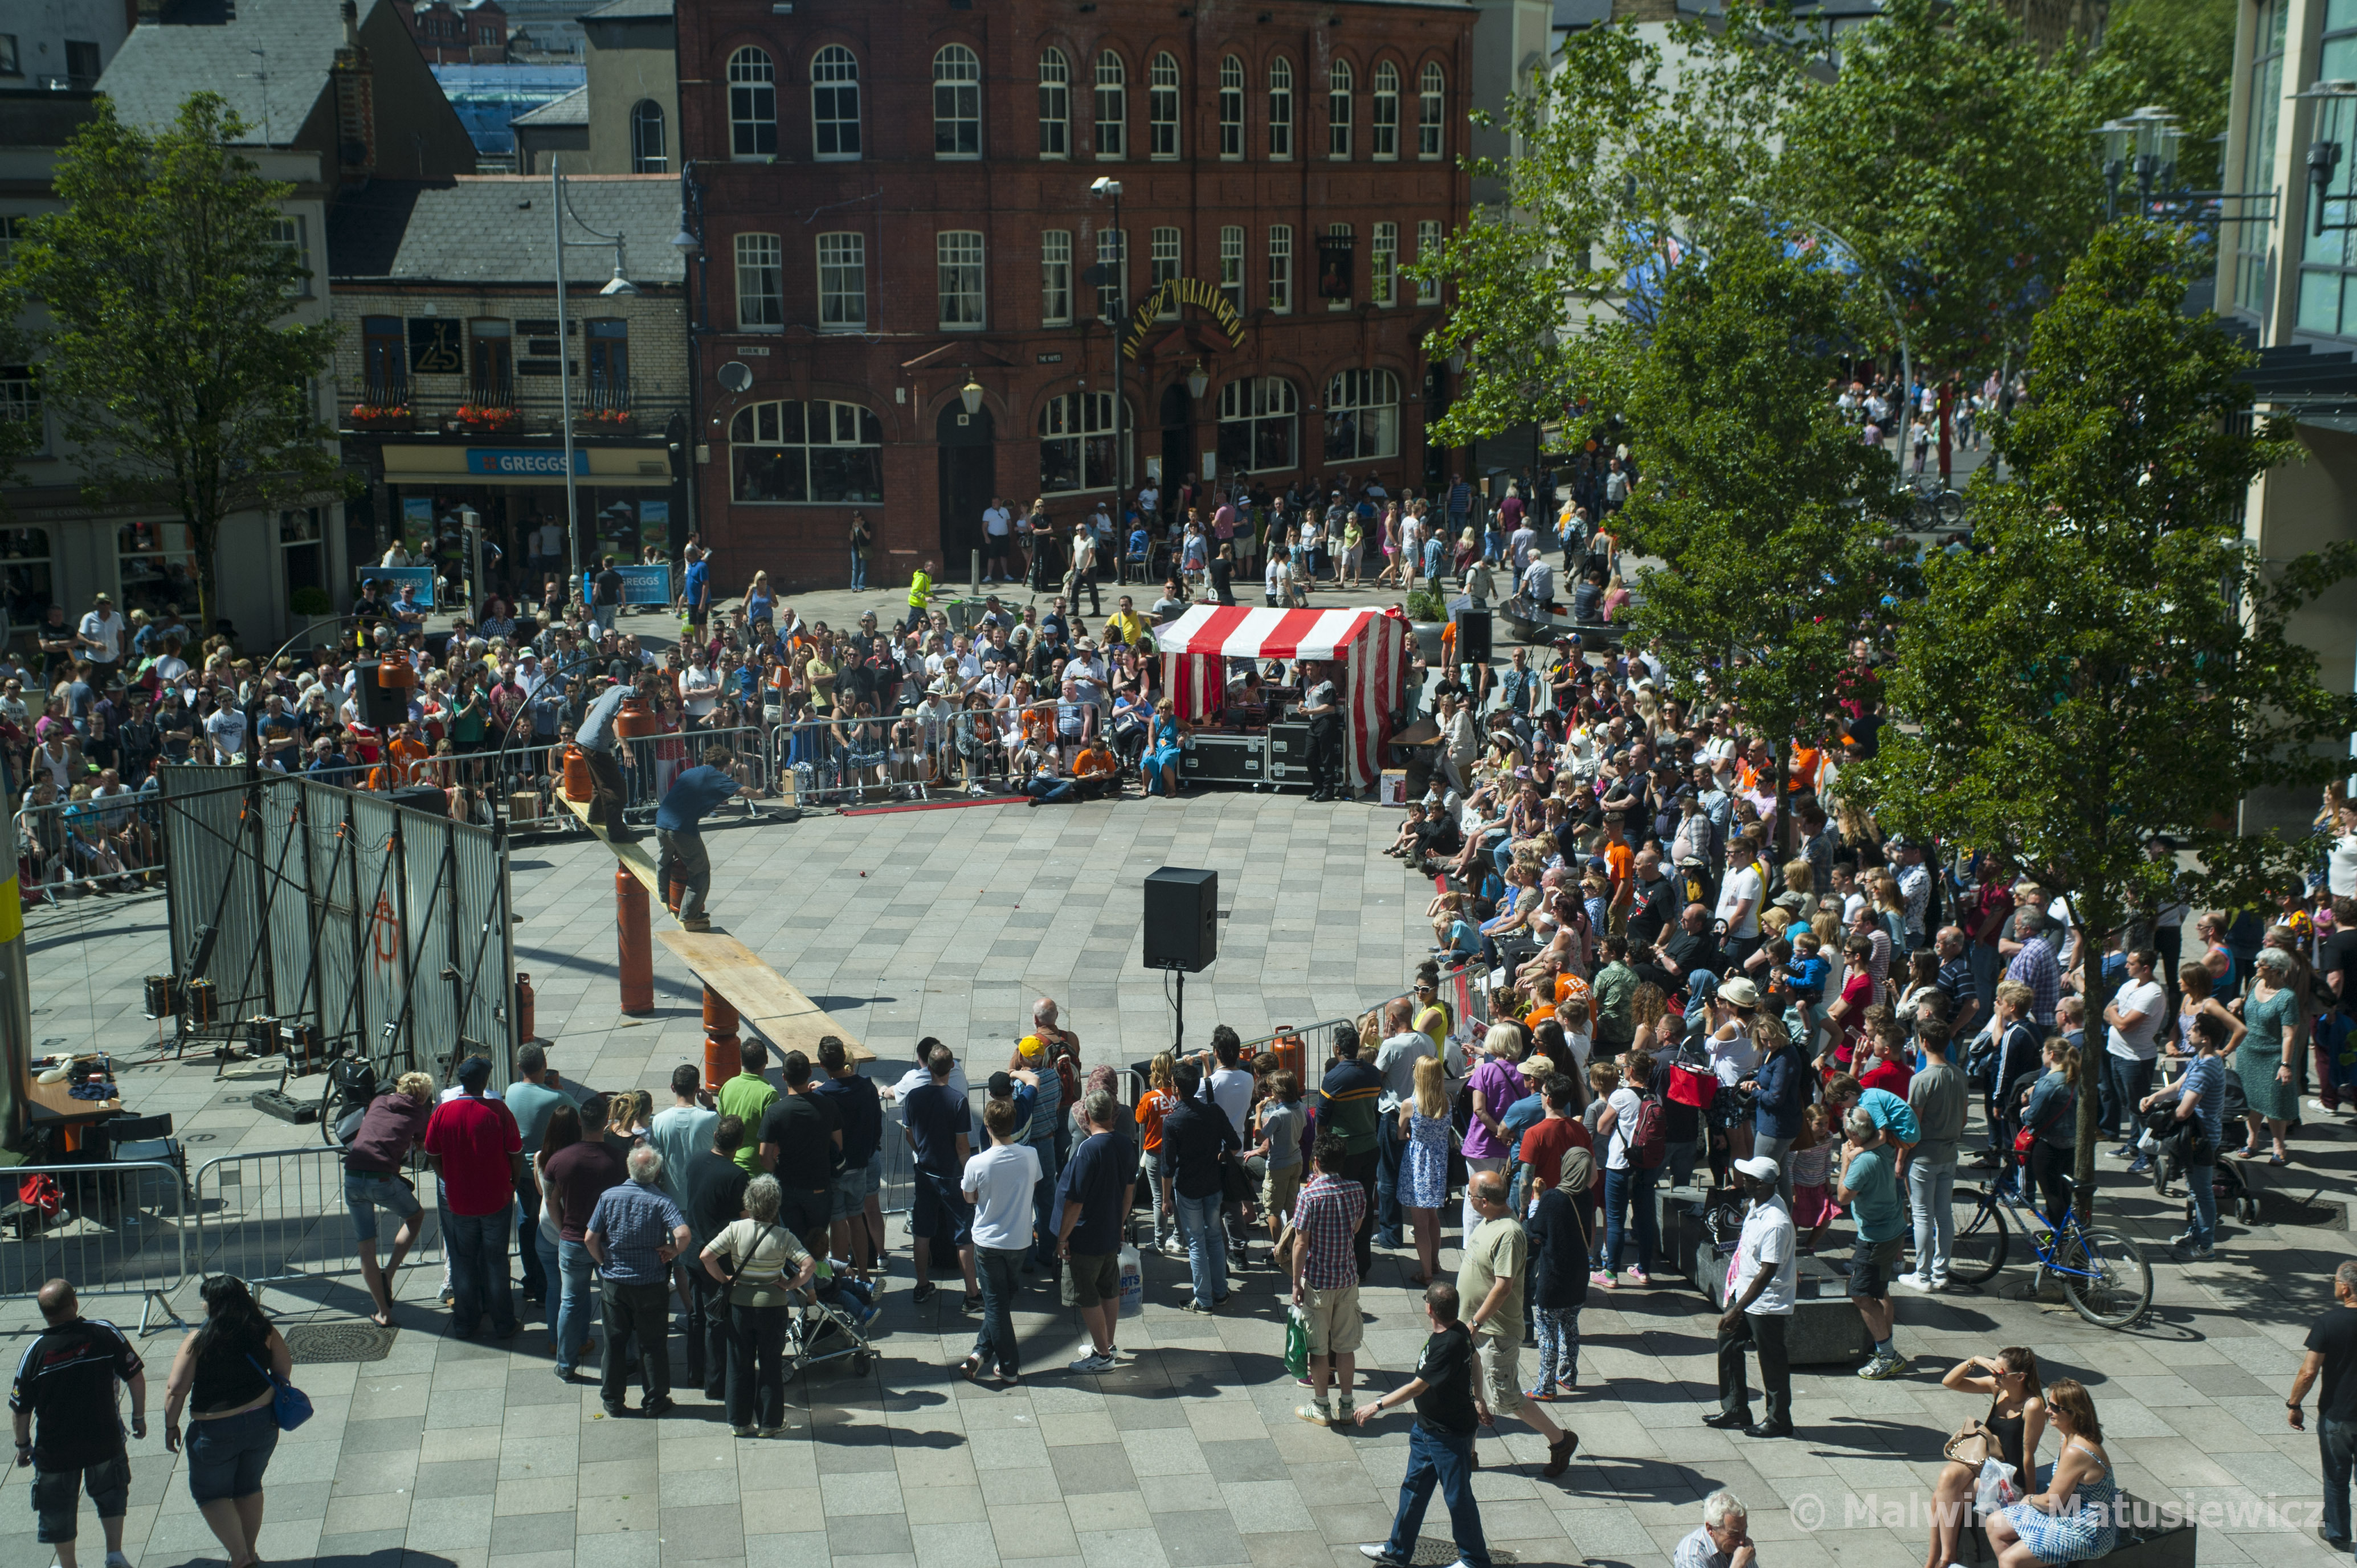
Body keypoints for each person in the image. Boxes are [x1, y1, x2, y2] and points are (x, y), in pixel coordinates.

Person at [1354, 1282, 1492, 1568]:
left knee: (1458, 1498)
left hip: (1449, 1436)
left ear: (1429, 1308)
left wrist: (1376, 1405)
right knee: (1413, 1490)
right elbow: (1476, 1362)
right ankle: (1397, 1550)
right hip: (1427, 1430)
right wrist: (1478, 1398)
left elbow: (1417, 1387)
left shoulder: (1449, 1344)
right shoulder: (1461, 1333)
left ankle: (1475, 1560)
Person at [11, 1278, 146, 1568]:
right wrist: (138, 1417)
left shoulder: (35, 1352)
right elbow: (135, 1376)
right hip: (105, 1439)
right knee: (112, 1495)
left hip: (55, 1451)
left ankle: (68, 1564)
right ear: (75, 1303)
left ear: (44, 1313)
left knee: (58, 1509)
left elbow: (21, 1409)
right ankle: (115, 1555)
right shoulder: (104, 1333)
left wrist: (23, 1446)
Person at [161, 1276, 290, 1568]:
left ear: (214, 1304)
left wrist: (171, 1426)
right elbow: (284, 1368)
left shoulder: (199, 1340)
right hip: (262, 1422)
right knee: (249, 1487)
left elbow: (176, 1389)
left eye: (204, 1299)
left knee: (210, 1494)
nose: (202, 1304)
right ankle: (250, 1551)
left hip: (214, 1430)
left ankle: (240, 1558)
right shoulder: (264, 1330)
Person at [1459, 1170, 1579, 1475]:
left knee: (1507, 1397)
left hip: (1493, 1331)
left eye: (1470, 1195)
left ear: (1484, 1202)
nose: (1468, 1198)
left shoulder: (1509, 1234)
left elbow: (1504, 1286)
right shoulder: (1489, 1222)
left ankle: (1561, 1441)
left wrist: (1475, 1321)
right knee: (1467, 1391)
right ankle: (1467, 1455)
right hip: (1472, 1328)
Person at [700, 1173, 815, 1439]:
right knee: (770, 1364)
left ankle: (740, 1423)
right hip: (773, 1308)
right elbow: (808, 1265)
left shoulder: (735, 1229)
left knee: (739, 1363)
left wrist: (726, 1279)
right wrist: (790, 1284)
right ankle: (770, 1423)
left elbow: (706, 1256)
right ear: (776, 1205)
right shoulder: (784, 1237)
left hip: (739, 1306)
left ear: (748, 1203)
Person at [585, 1145, 692, 1419]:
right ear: (657, 1172)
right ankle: (655, 1401)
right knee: (653, 1344)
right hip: (651, 1283)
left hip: (615, 1283)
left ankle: (612, 1400)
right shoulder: (662, 1201)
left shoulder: (609, 1197)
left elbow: (590, 1238)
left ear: (629, 1168)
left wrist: (602, 1262)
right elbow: (683, 1233)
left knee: (615, 1343)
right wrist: (674, 1251)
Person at [422, 1055, 525, 1341]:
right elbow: (515, 1153)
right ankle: (503, 1322)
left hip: (459, 1204)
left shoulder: (442, 1113)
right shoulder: (499, 1111)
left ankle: (465, 1324)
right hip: (496, 1201)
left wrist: (448, 1179)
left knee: (463, 1262)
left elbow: (432, 1154)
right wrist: (513, 1182)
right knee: (496, 1261)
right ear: (486, 1081)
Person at [1926, 1349, 2046, 1568]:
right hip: (1984, 1463)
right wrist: (1974, 1360)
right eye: (1993, 1369)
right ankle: (1945, 1557)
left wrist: (2029, 1498)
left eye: (2000, 1372)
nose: (1994, 1376)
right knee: (1947, 1476)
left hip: (2008, 1474)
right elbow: (1949, 1382)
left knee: (1940, 1499)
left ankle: (1940, 1559)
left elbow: (2028, 1455)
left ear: (2020, 1377)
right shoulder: (1999, 1389)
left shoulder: (2033, 1405)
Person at [1707, 1155, 1796, 1438]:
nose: (1742, 1181)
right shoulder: (1758, 1204)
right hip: (1745, 1294)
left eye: (1747, 1179)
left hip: (1765, 1302)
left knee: (1771, 1360)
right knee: (1728, 1343)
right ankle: (1736, 1407)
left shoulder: (1776, 1223)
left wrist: (1736, 1309)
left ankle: (1779, 1419)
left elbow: (1767, 1272)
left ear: (1761, 1184)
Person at [1984, 1378, 2117, 1566]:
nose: (2047, 1411)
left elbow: (2051, 1502)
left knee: (2009, 1559)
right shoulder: (2068, 1435)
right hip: (2067, 1513)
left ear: (2073, 1413)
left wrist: (2028, 1499)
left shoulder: (2077, 1451)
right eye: (2049, 1404)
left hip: (2087, 1531)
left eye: (2054, 1407)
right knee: (1995, 1523)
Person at [341, 1070, 435, 1327]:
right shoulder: (419, 1113)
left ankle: (383, 1312)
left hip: (352, 1176)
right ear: (424, 1096)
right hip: (381, 1178)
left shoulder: (379, 1101)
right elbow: (421, 1142)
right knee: (415, 1217)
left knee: (366, 1249)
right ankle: (390, 1273)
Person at [544, 1094, 626, 1382]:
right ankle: (620, 1360)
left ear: (580, 1121)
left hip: (572, 1241)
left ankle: (566, 1365)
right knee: (613, 1303)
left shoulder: (559, 1160)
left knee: (570, 1302)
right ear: (606, 1123)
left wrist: (563, 1227)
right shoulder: (619, 1161)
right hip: (609, 1244)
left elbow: (551, 1200)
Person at [960, 1095, 1041, 1383]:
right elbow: (1032, 1184)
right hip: (1019, 1240)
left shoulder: (977, 1163)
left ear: (987, 1126)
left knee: (996, 1304)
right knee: (1001, 1300)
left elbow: (969, 1198)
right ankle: (980, 1352)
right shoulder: (1030, 1155)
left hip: (988, 1242)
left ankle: (1009, 1367)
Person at [1054, 1088, 1137, 1372]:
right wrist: (1119, 1224)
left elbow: (1075, 1201)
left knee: (1087, 1294)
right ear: (1113, 1114)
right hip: (1110, 1233)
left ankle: (1102, 1356)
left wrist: (1063, 1237)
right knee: (1108, 1289)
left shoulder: (1086, 1151)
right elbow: (1129, 1193)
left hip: (1086, 1236)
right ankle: (1107, 1344)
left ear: (1087, 1116)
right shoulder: (1126, 1145)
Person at [1292, 1131, 1370, 1425]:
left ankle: (1322, 1406)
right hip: (1348, 1278)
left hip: (1318, 1281)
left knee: (1318, 1348)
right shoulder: (1357, 1190)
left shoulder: (1308, 1195)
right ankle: (1348, 1406)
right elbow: (1356, 1228)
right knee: (1346, 1347)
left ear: (1315, 1163)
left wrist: (1296, 1282)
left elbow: (1301, 1242)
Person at [2143, 1010, 2229, 1260]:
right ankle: (2197, 1235)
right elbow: (2179, 1086)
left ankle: (2205, 1246)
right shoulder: (2200, 1060)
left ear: (2207, 1039)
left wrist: (2162, 1119)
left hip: (2200, 1139)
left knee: (2202, 1194)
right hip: (2195, 1137)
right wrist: (2155, 1097)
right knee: (2195, 1190)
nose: (2188, 1032)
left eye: (2194, 1029)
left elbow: (2183, 1111)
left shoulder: (2207, 1067)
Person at [904, 1041, 980, 1306]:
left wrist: (921, 1151)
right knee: (963, 1235)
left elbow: (909, 1133)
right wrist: (970, 1178)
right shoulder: (957, 1101)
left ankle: (922, 1284)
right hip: (951, 1175)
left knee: (922, 1232)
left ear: (929, 1067)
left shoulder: (914, 1097)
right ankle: (972, 1293)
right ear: (951, 1068)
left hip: (925, 1171)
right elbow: (962, 1146)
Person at [1163, 1060, 1240, 1312]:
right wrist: (1220, 1156)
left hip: (1188, 1187)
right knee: (1215, 1237)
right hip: (1213, 1184)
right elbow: (1235, 1144)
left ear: (1176, 1089)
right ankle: (1220, 1292)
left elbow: (1167, 1166)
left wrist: (1166, 1199)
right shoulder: (1214, 1112)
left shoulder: (1173, 1121)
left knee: (1196, 1242)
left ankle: (1204, 1299)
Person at [1836, 1108, 1908, 1379]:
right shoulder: (1884, 1145)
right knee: (1880, 1290)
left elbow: (1843, 1197)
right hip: (1891, 1228)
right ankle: (1883, 1347)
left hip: (1876, 1238)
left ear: (1853, 1133)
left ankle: (1888, 1356)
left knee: (1861, 1294)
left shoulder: (1863, 1161)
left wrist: (1845, 1161)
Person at [2290, 1261, 2357, 1548]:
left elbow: (2309, 1372)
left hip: (2337, 1414)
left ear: (2345, 1288)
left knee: (2336, 1477)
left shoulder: (2328, 1322)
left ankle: (2338, 1533)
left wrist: (2294, 1404)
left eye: (2335, 1281)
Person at [655, 743, 757, 930]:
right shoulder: (717, 776)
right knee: (700, 870)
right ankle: (690, 915)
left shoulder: (688, 773)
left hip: (661, 822)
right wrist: (759, 794)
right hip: (682, 829)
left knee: (665, 861)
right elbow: (744, 792)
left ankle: (664, 898)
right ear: (724, 766)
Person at [1522, 1135, 1594, 1401]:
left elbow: (1535, 1231)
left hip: (1554, 1278)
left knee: (1548, 1332)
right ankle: (1568, 1376)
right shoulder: (1586, 1196)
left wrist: (1537, 1197)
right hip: (1578, 1276)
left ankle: (1546, 1386)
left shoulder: (1553, 1199)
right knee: (1570, 1327)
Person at [1900, 1018, 1967, 1292]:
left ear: (1923, 1043)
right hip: (1949, 1153)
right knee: (1944, 1214)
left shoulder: (1921, 1079)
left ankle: (1923, 1275)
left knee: (1922, 1215)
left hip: (1925, 1156)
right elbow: (1963, 1120)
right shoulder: (1959, 1075)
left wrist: (1901, 1159)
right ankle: (1941, 1273)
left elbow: (1912, 1128)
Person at [755, 1049, 843, 1253]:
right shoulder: (828, 1106)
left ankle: (800, 1283)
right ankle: (820, 1281)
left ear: (784, 1077)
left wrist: (777, 1170)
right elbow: (838, 1147)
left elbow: (764, 1156)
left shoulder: (775, 1112)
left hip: (789, 1187)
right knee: (818, 1245)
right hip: (819, 1186)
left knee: (793, 1247)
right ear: (810, 1074)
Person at [815, 1037, 885, 1283]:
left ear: (822, 1065)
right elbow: (878, 1124)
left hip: (835, 1169)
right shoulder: (866, 1087)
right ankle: (864, 1275)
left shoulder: (823, 1096)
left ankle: (842, 1277)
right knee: (857, 1218)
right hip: (860, 1164)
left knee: (837, 1222)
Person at [1322, 1026, 1386, 1278]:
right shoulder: (1372, 1073)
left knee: (1341, 1207)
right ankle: (1362, 1263)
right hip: (1370, 1147)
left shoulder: (1334, 1078)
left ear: (1337, 1048)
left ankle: (1342, 1260)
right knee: (1365, 1204)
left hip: (1343, 1152)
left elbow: (1323, 1119)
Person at [1594, 1050, 1661, 1287]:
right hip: (1647, 1164)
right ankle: (1643, 1270)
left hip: (1620, 1164)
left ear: (1631, 1071)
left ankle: (1611, 1273)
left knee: (1615, 1219)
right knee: (1644, 1219)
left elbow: (1602, 1126)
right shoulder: (1655, 1097)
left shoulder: (1621, 1096)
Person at [1399, 1057, 1453, 1287]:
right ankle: (1435, 1262)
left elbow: (1400, 1134)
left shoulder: (1410, 1104)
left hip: (1417, 1164)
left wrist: (1411, 1135)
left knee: (1419, 1222)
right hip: (1439, 1163)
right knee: (1433, 1217)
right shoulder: (1447, 1100)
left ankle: (1427, 1274)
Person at [1673, 1492, 1758, 1568]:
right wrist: (1739, 1564)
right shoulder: (1692, 1556)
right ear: (1710, 1529)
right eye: (1733, 1534)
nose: (1742, 1541)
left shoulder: (1739, 1545)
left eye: (1744, 1531)